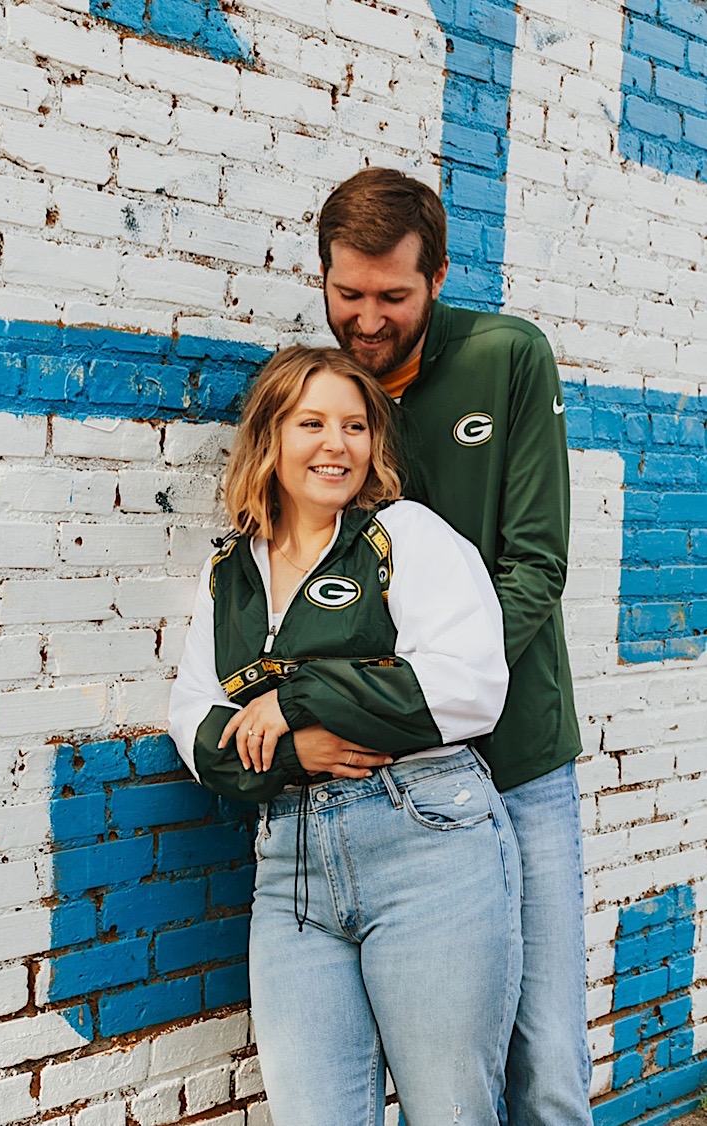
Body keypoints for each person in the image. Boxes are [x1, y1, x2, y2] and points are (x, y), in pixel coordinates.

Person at [168, 346, 521, 1124]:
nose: (338, 444)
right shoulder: (228, 570)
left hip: (426, 841)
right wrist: (300, 752)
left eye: (356, 425)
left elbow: (470, 687)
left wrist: (295, 698)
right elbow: (194, 720)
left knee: (450, 1112)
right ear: (270, 436)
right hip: (290, 866)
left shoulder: (405, 535)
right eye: (313, 423)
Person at [318, 167, 589, 1123]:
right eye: (347, 293)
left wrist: (414, 690)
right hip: (405, 783)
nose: (368, 317)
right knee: (444, 1075)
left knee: (546, 1057)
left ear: (435, 276)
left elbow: (536, 567)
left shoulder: (508, 356)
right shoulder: (333, 397)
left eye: (393, 295)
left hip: (515, 756)